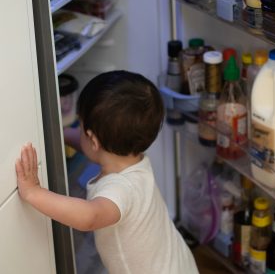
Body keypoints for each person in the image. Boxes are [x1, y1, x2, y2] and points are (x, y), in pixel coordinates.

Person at [15, 70, 199, 274]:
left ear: (93, 140)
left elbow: (89, 217)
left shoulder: (119, 190)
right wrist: (61, 134)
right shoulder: (136, 161)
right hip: (177, 264)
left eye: (81, 126)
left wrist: (34, 192)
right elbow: (92, 145)